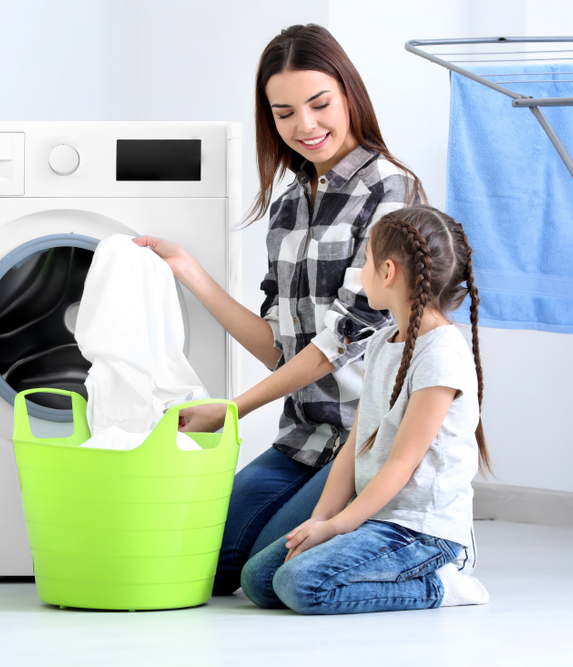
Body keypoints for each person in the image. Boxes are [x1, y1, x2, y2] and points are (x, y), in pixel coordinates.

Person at [134, 24, 424, 595]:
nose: (305, 126)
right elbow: (279, 346)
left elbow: (337, 344)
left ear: (349, 96)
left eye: (320, 104)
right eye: (284, 112)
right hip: (302, 439)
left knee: (265, 579)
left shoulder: (392, 191)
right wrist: (189, 271)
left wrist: (230, 410)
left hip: (362, 444)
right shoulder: (290, 203)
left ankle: (416, 556)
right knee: (199, 565)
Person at [239, 205, 491, 614]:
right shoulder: (381, 341)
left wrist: (341, 525)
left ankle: (440, 586)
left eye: (366, 262)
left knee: (299, 585)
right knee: (260, 581)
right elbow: (354, 446)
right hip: (377, 517)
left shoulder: (441, 355)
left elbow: (401, 465)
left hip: (421, 531)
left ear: (388, 272)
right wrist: (320, 522)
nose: (360, 273)